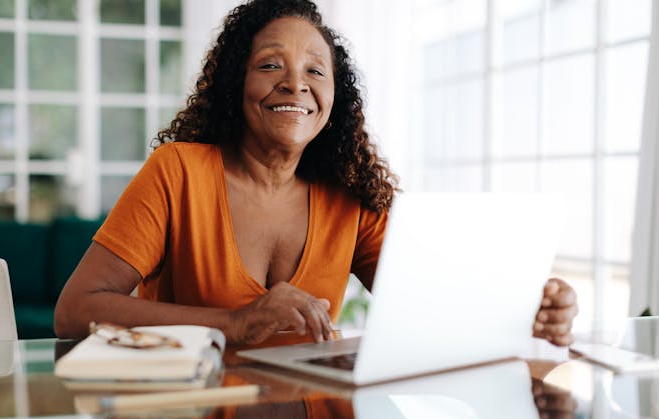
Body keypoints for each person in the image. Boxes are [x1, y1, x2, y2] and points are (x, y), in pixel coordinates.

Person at [54, 0, 577, 346]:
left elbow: (435, 306)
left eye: (314, 71)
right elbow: (77, 311)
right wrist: (233, 324)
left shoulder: (348, 198)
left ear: (334, 99)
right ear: (235, 87)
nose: (294, 84)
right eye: (269, 65)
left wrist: (524, 308)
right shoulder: (178, 172)